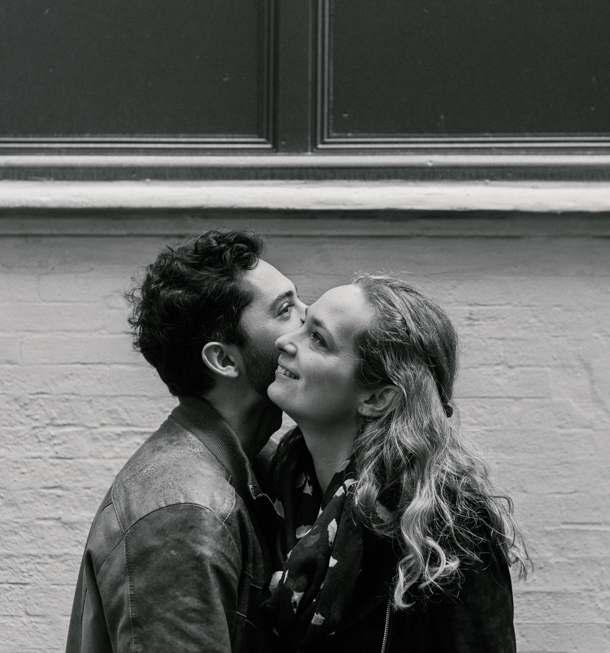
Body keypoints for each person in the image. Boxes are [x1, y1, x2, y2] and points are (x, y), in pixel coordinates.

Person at [66, 230, 306, 653]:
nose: (309, 317)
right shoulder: (184, 512)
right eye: (286, 309)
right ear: (224, 359)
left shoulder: (256, 464)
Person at [261, 274, 528, 653]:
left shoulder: (443, 524)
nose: (285, 341)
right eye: (302, 325)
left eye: (317, 339)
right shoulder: (276, 484)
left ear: (376, 398)